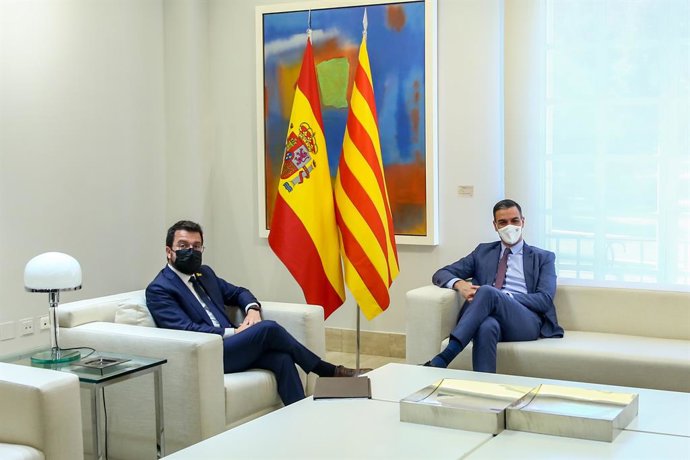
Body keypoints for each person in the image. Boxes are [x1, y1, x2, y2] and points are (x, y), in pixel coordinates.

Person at [146, 220, 368, 406]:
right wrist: (234, 331)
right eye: (183, 246)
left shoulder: (204, 274)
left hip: (231, 347)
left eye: (197, 246)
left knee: (282, 359)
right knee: (268, 329)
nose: (191, 252)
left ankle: (301, 418)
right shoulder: (160, 289)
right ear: (169, 251)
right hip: (207, 353)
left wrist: (252, 310)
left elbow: (239, 292)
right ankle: (327, 371)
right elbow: (184, 329)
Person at [425, 199, 563, 372]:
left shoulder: (543, 257)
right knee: (486, 326)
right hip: (489, 316)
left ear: (523, 222)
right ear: (495, 225)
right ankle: (484, 389)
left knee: (488, 292)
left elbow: (545, 299)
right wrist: (460, 284)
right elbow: (441, 273)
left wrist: (505, 297)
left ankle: (445, 357)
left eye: (514, 221)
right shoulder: (483, 252)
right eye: (503, 222)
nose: (509, 226)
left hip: (526, 320)